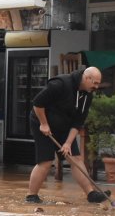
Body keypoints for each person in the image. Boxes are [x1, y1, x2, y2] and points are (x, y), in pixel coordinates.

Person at [26, 66, 109, 204]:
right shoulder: (60, 84)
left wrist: (68, 143)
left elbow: (78, 122)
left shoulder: (87, 96)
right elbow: (37, 103)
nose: (97, 86)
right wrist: (44, 124)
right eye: (95, 83)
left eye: (98, 83)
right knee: (46, 161)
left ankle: (91, 194)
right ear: (86, 78)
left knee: (75, 158)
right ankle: (31, 196)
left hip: (64, 126)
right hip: (41, 122)